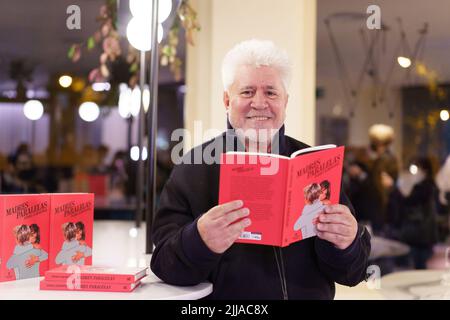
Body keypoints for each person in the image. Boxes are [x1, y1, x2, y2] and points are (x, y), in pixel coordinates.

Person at [150, 39, 371, 299]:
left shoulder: (315, 166)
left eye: (271, 92)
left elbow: (353, 273)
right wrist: (199, 241)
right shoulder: (194, 166)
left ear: (285, 102)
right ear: (226, 100)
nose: (259, 102)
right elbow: (164, 266)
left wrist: (348, 242)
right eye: (247, 92)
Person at [399, 158, 438, 269]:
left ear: (424, 170)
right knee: (420, 262)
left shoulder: (423, 187)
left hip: (419, 232)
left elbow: (409, 202)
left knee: (419, 263)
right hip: (425, 232)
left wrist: (400, 190)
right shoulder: (431, 185)